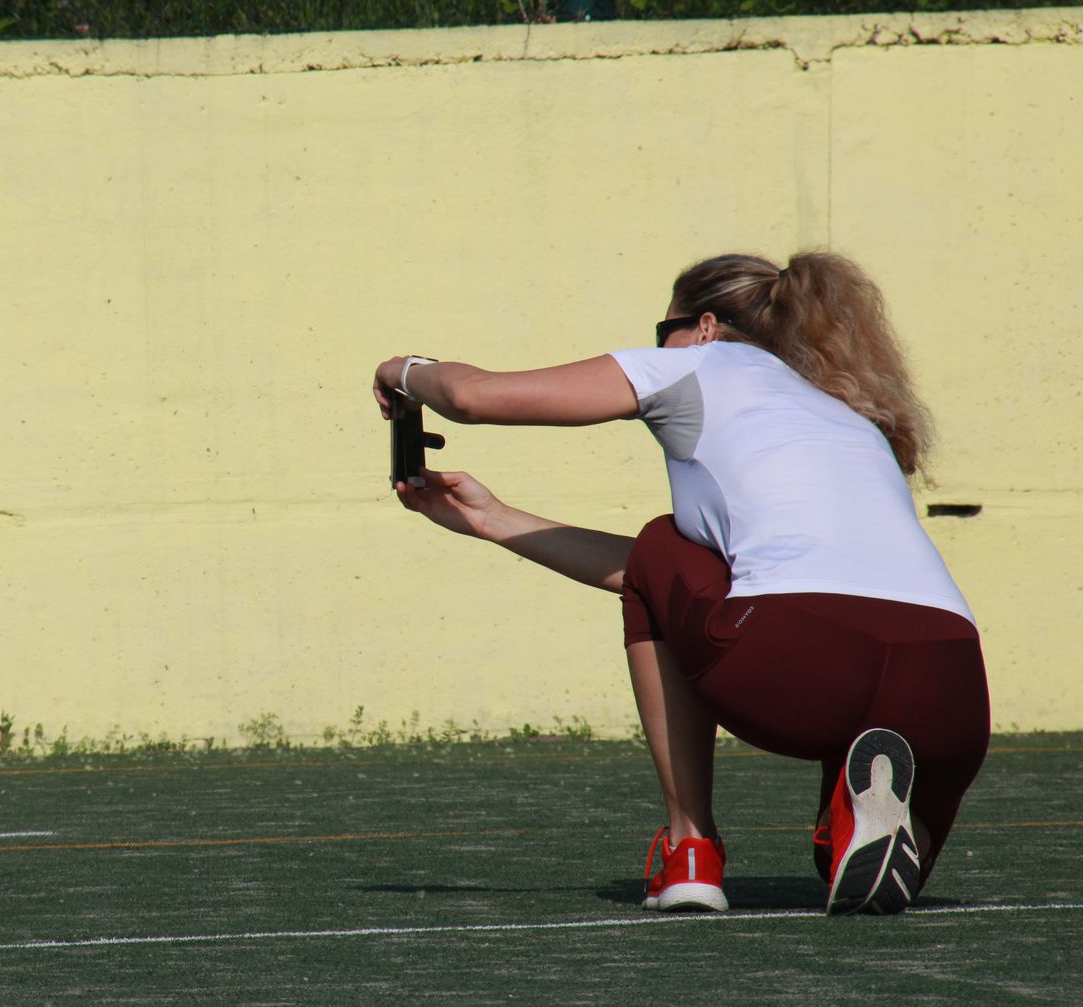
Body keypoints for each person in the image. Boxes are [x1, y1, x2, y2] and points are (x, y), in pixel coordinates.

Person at [373, 250, 989, 917]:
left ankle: (690, 846)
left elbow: (470, 397)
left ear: (704, 326)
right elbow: (659, 580)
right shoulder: (852, 414)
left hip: (804, 665)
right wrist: (493, 519)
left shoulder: (700, 362)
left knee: (668, 537)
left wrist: (403, 370)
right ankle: (867, 813)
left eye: (662, 329)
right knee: (842, 862)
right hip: (950, 684)